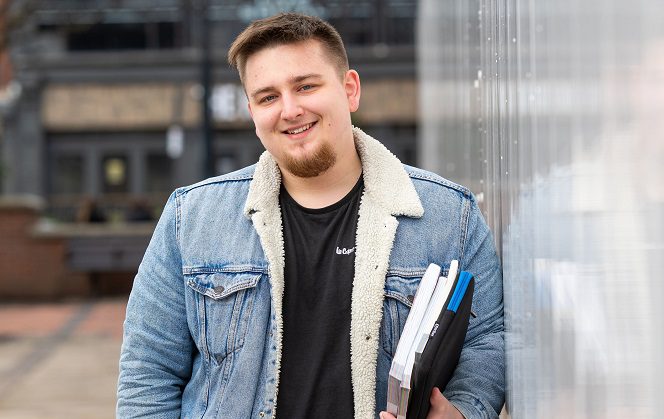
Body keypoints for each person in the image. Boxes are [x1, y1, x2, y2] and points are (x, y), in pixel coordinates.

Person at [117, 12, 504, 419]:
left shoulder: (449, 215)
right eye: (268, 97)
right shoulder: (190, 218)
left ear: (349, 89)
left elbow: (488, 341)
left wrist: (464, 412)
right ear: (252, 112)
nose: (289, 109)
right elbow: (148, 372)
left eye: (305, 86)